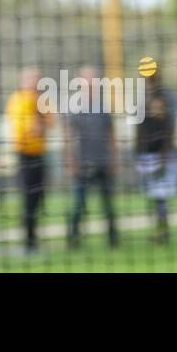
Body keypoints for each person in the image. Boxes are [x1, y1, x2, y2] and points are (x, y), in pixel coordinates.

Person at [64, 65, 119, 249]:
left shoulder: (103, 106)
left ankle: (113, 240)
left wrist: (114, 160)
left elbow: (111, 135)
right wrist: (71, 162)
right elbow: (68, 137)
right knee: (79, 204)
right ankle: (73, 240)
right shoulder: (74, 107)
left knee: (108, 205)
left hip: (102, 161)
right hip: (82, 164)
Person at [6, 67, 51, 253]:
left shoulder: (42, 100)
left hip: (40, 154)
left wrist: (40, 123)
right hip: (25, 155)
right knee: (28, 198)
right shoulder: (17, 100)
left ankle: (33, 239)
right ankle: (28, 242)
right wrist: (38, 124)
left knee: (39, 197)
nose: (36, 82)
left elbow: (51, 122)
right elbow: (26, 130)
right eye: (33, 79)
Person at [135, 68, 177, 244]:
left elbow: (169, 130)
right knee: (152, 198)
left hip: (161, 156)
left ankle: (162, 233)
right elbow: (139, 129)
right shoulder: (142, 98)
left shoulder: (164, 97)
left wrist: (164, 156)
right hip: (146, 156)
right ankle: (157, 232)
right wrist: (137, 153)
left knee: (160, 197)